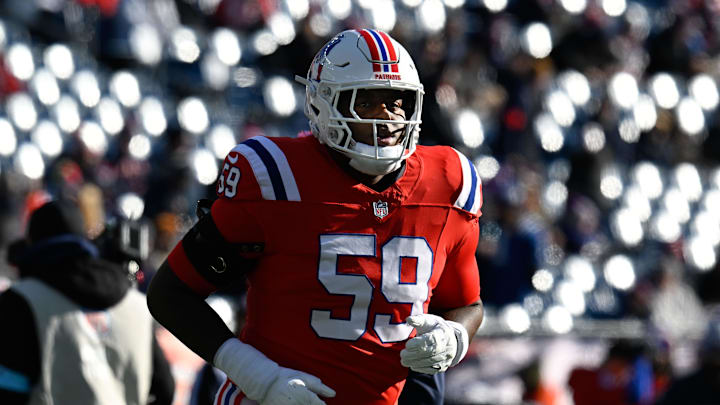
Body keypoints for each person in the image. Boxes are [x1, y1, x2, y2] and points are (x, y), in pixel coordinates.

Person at [147, 28, 484, 405]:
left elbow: (467, 304)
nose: (389, 117)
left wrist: (454, 335)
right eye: (368, 102)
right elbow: (170, 293)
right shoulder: (276, 178)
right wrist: (257, 376)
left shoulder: (449, 182)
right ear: (326, 105)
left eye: (398, 102)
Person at [0, 199, 175, 404]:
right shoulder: (136, 304)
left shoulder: (20, 301)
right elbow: (165, 390)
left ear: (30, 244)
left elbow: (9, 393)